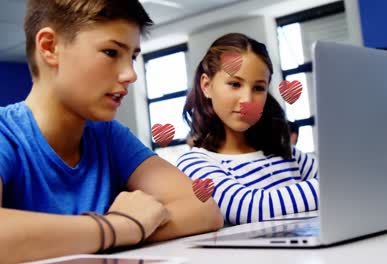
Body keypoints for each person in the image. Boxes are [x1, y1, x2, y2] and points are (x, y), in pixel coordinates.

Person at [0, 0, 223, 262]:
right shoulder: (6, 133)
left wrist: (110, 233)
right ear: (50, 47)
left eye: (133, 57)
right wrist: (120, 226)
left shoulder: (107, 135)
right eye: (110, 52)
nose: (130, 74)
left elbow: (204, 208)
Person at [177, 33, 319, 225]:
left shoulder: (284, 151)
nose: (247, 101)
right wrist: (332, 187)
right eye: (235, 84)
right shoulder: (194, 163)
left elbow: (340, 178)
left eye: (258, 88)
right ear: (207, 85)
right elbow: (251, 207)